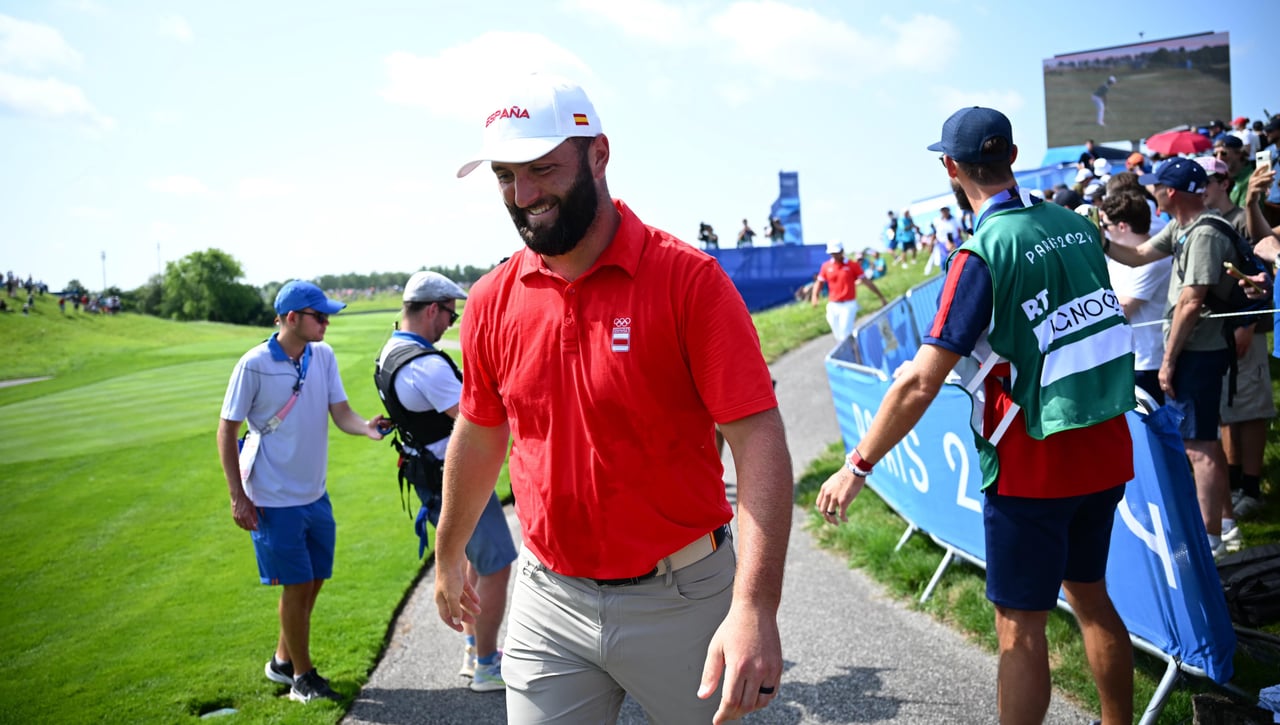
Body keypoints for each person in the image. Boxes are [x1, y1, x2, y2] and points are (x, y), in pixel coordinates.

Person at [443, 73, 793, 724]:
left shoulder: (689, 280)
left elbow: (759, 440)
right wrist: (448, 549)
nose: (522, 196)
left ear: (598, 155)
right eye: (504, 176)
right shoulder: (492, 298)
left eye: (542, 169)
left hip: (683, 597)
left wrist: (754, 607)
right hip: (550, 599)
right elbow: (482, 429)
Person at [817, 107, 1135, 725]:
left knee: (1018, 630)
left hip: (1030, 463)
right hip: (1104, 441)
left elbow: (919, 382)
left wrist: (857, 464)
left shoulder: (980, 252)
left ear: (951, 168)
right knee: (1093, 599)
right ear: (1013, 157)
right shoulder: (1074, 225)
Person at [216, 280, 388, 703]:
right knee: (296, 585)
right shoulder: (253, 364)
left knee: (313, 581)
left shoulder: (323, 356)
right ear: (291, 319)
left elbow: (341, 412)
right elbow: (227, 429)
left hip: (314, 493)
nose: (327, 323)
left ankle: (281, 661)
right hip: (274, 498)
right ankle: (302, 677)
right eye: (320, 316)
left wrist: (365, 427)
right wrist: (238, 497)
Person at [374, 270, 518, 692]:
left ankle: (476, 649)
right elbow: (479, 424)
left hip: (430, 479)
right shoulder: (428, 366)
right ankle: (488, 665)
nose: (451, 325)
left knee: (472, 560)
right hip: (455, 481)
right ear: (432, 309)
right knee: (496, 566)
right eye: (450, 317)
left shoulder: (391, 351)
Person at [1104, 158, 1237, 557]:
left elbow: (1191, 303)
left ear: (1171, 192)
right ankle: (1222, 526)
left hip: (1198, 351)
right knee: (1202, 442)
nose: (1152, 193)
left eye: (1157, 186)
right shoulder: (1180, 227)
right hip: (1188, 351)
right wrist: (1097, 237)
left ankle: (1208, 538)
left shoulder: (1203, 234)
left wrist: (1168, 360)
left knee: (1198, 446)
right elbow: (1137, 255)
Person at [1098, 191, 1172, 405]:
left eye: (1105, 226)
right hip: (1128, 358)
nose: (1103, 231)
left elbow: (1122, 310)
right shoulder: (1117, 259)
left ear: (1122, 227)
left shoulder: (1153, 262)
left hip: (1148, 362)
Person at [810, 239, 887, 341]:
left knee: (844, 333)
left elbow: (866, 281)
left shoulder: (852, 265)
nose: (835, 255)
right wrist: (815, 295)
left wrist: (880, 296)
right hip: (833, 304)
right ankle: (851, 349)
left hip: (848, 305)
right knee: (838, 335)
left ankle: (852, 353)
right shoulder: (826, 266)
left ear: (842, 251)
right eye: (832, 253)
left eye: (837, 253)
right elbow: (819, 282)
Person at [923, 206, 961, 276]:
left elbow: (959, 232)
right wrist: (931, 244)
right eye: (942, 211)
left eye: (945, 210)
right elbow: (934, 233)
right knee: (944, 263)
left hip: (955, 244)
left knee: (959, 262)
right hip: (942, 246)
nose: (944, 212)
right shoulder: (937, 221)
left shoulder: (955, 220)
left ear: (948, 210)